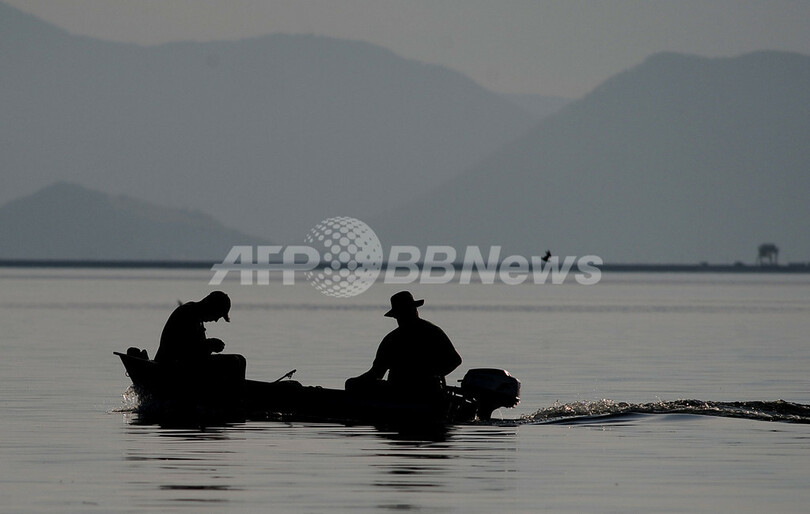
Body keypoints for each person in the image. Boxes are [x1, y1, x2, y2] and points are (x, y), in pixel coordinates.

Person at [346, 291, 462, 395]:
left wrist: (427, 376)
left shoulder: (392, 339)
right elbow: (377, 373)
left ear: (396, 316)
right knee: (353, 383)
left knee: (352, 384)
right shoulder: (433, 331)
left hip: (407, 392)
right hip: (423, 391)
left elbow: (376, 374)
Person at [154, 291, 231, 362]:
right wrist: (209, 345)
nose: (216, 320)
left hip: (181, 362)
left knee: (239, 359)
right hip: (170, 364)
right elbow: (187, 351)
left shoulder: (195, 314)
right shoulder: (188, 314)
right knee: (234, 361)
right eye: (217, 315)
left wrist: (209, 345)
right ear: (211, 307)